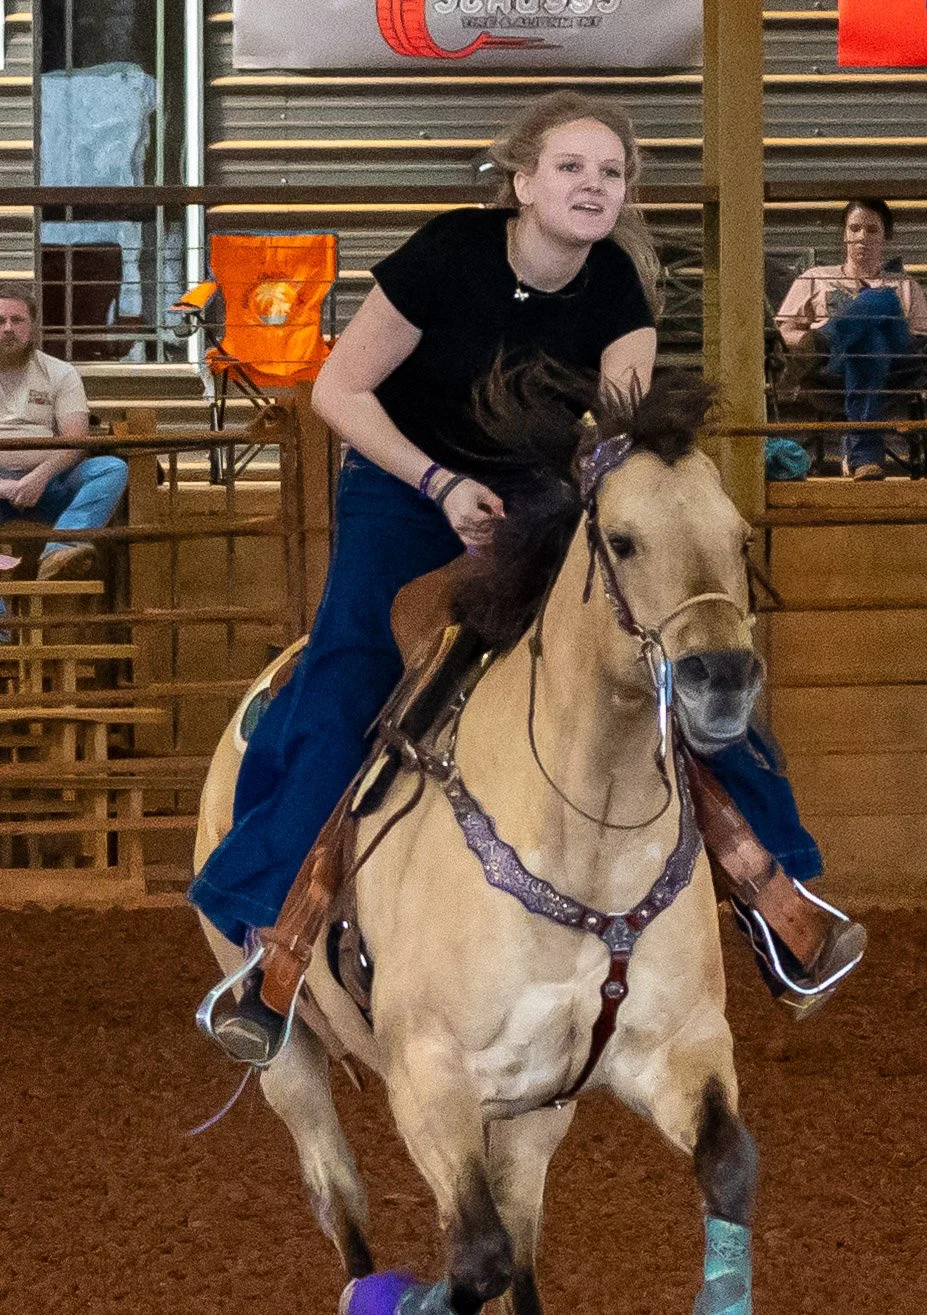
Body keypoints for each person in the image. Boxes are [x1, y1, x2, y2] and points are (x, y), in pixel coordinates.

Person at [189, 91, 865, 1067]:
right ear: (521, 182)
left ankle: (776, 897)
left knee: (686, 660)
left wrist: (614, 509)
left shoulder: (618, 295)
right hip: (399, 487)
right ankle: (272, 948)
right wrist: (436, 481)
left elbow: (619, 444)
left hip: (532, 499)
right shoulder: (446, 257)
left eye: (610, 173)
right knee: (345, 678)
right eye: (571, 168)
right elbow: (338, 390)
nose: (593, 185)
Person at [775, 198, 927, 480]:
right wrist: (859, 331)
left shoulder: (905, 284)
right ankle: (865, 459)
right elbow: (785, 331)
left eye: (872, 230)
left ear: (886, 236)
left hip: (896, 366)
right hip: (832, 371)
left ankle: (825, 340)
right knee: (866, 345)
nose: (862, 237)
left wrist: (834, 331)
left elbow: (921, 337)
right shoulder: (813, 278)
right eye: (855, 228)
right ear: (844, 234)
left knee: (881, 299)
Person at [0, 282, 128, 583]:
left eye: (16, 320)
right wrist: (5, 486)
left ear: (31, 325)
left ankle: (61, 551)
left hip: (49, 485)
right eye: (0, 320)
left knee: (111, 468)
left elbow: (76, 440)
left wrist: (37, 478)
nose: (7, 329)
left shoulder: (60, 373)